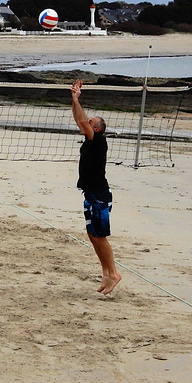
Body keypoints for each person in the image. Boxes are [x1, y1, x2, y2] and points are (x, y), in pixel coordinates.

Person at [71, 79, 122, 295]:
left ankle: (114, 273)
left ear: (97, 128)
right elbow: (79, 120)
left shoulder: (99, 140)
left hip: (100, 194)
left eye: (91, 121)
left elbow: (82, 121)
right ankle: (106, 273)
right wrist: (74, 101)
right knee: (92, 235)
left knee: (100, 236)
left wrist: (76, 98)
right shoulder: (90, 139)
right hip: (90, 193)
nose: (87, 122)